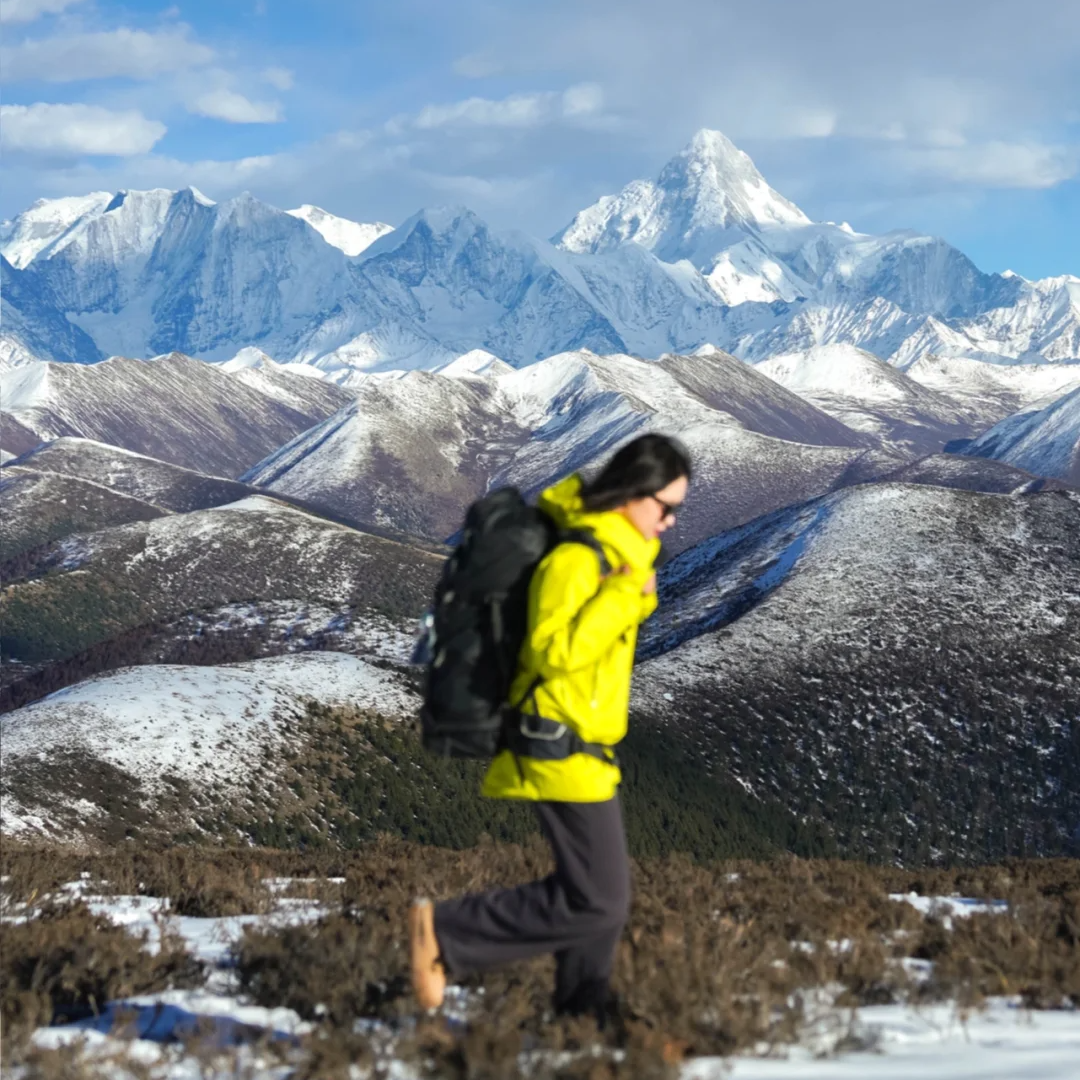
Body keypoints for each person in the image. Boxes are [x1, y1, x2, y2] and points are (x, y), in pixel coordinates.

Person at [408, 433, 692, 1021]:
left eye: (676, 510)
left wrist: (631, 595)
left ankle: (582, 1012)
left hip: (582, 747)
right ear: (632, 493)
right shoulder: (577, 560)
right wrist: (622, 597)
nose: (669, 520)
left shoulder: (615, 560)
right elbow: (551, 652)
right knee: (600, 900)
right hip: (553, 745)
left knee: (599, 897)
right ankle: (446, 933)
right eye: (664, 506)